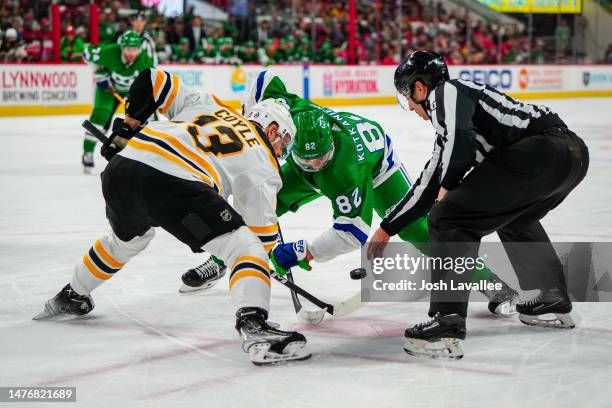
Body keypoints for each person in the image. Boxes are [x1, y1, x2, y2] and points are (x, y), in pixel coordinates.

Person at [181, 70, 518, 317]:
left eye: (320, 159)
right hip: (309, 162)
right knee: (257, 200)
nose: (314, 165)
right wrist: (251, 115)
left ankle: (490, 281)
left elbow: (353, 231)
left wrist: (303, 251)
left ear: (331, 147)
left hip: (376, 168)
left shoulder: (344, 169)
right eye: (307, 160)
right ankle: (219, 259)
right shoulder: (291, 113)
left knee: (420, 231)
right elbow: (264, 80)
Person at [34, 68, 309, 365]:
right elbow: (261, 236)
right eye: (284, 142)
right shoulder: (264, 160)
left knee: (127, 241)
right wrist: (271, 262)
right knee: (245, 248)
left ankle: (72, 294)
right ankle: (254, 327)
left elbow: (152, 78)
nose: (281, 151)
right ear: (271, 130)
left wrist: (131, 123)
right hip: (172, 185)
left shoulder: (212, 104)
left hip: (122, 170)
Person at [367, 51, 589, 359]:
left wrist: (446, 191)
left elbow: (458, 150)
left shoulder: (447, 92)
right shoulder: (455, 114)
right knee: (513, 216)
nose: (412, 108)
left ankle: (447, 323)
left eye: (408, 97)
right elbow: (427, 183)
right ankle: (549, 296)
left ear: (420, 88)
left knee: (448, 219)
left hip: (542, 152)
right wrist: (387, 228)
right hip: (572, 156)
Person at [81, 31, 154, 173]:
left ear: (140, 49)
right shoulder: (110, 52)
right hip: (108, 89)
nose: (131, 53)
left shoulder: (145, 59)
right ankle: (88, 152)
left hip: (131, 91)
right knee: (100, 116)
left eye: (135, 50)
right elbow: (86, 54)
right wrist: (99, 73)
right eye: (128, 49)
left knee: (138, 122)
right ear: (121, 47)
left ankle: (137, 157)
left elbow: (149, 84)